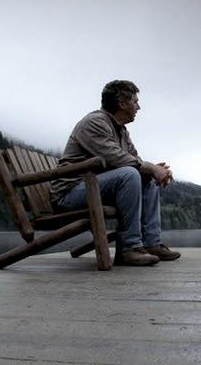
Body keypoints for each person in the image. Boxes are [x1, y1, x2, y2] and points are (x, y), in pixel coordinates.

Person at [51, 80, 181, 266]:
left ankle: (151, 243)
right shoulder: (94, 122)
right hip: (69, 194)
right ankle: (129, 248)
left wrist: (152, 170)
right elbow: (115, 158)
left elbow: (134, 159)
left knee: (145, 178)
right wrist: (151, 167)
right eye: (135, 102)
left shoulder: (121, 131)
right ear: (121, 103)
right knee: (130, 173)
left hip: (93, 189)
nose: (139, 107)